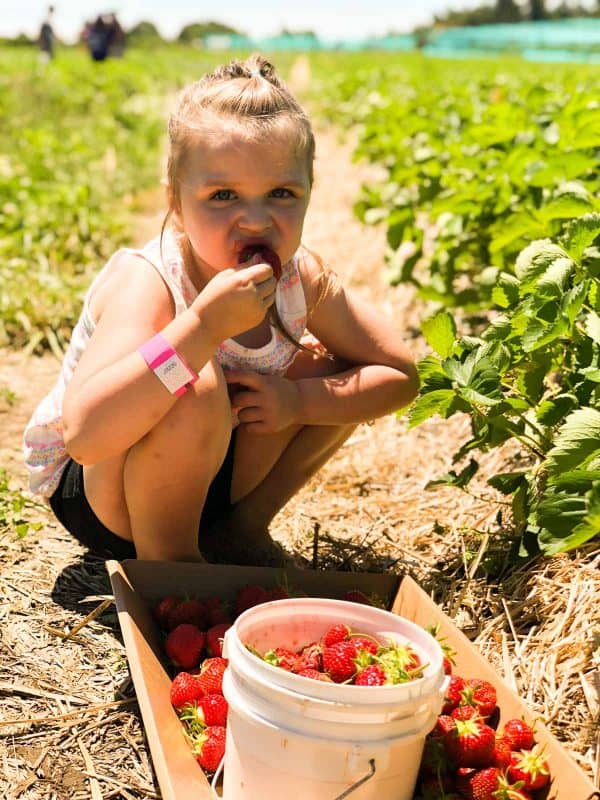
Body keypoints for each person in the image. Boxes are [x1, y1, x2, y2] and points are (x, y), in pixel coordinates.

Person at [23, 54, 420, 565]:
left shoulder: (302, 279)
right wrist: (202, 328)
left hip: (209, 478)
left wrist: (298, 401)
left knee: (337, 370)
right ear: (176, 202)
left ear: (309, 195)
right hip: (104, 494)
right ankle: (174, 573)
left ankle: (239, 532)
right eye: (223, 195)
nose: (255, 220)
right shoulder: (152, 281)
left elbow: (400, 375)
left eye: (281, 193)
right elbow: (86, 436)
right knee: (192, 378)